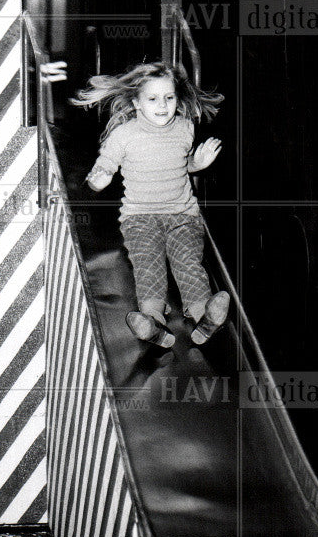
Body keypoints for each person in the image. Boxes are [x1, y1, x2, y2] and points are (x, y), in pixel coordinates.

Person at [71, 61, 229, 347]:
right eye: (153, 99)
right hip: (140, 218)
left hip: (183, 214)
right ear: (137, 102)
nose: (162, 105)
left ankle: (203, 315)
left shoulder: (185, 128)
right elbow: (100, 173)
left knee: (188, 264)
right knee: (149, 267)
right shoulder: (124, 135)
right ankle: (152, 321)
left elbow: (181, 164)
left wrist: (198, 163)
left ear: (177, 100)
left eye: (169, 98)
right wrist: (99, 179)